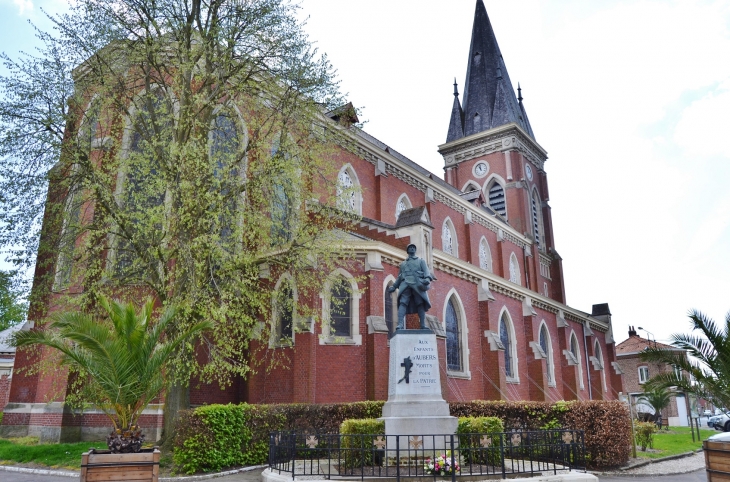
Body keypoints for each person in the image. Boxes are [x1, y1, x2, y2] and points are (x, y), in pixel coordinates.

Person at [387, 244, 435, 330]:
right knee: (403, 303)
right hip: (405, 284)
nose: (412, 248)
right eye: (410, 248)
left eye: (413, 248)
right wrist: (394, 286)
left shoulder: (421, 261)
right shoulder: (403, 264)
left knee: (420, 303)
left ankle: (423, 325)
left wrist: (427, 279)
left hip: (417, 284)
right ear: (407, 250)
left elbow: (426, 272)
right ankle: (400, 324)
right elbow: (400, 276)